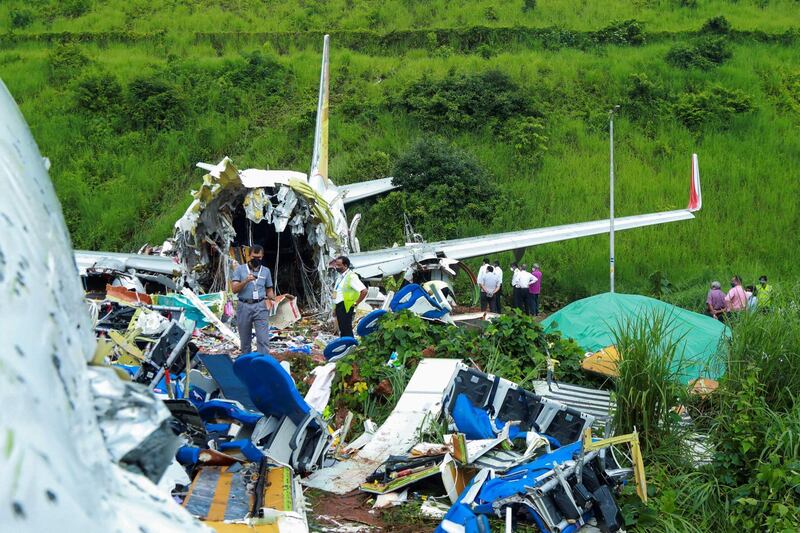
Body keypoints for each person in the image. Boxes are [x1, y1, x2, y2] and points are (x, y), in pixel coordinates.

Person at [231, 244, 276, 354]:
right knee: (245, 341)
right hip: (244, 305)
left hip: (260, 305)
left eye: (259, 257)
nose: (256, 259)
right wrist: (246, 280)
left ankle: (263, 364)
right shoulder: (240, 270)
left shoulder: (266, 271)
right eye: (253, 257)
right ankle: (247, 365)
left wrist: (274, 299)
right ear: (248, 256)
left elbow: (269, 290)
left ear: (262, 256)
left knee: (263, 339)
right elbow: (234, 289)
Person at [333, 256, 367, 338]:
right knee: (342, 329)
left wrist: (355, 303)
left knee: (346, 329)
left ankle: (350, 345)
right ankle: (345, 345)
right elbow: (336, 292)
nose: (336, 267)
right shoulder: (340, 277)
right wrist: (334, 307)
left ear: (345, 266)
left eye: (339, 265)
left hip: (346, 305)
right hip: (339, 306)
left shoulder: (351, 277)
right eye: (336, 265)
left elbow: (364, 291)